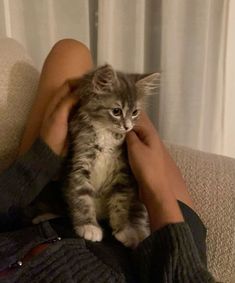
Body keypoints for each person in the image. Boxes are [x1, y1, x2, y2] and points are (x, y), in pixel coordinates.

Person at [0, 39, 215, 282]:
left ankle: (109, 109)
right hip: (147, 252)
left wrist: (40, 159)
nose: (127, 123)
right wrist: (156, 190)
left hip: (34, 223)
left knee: (70, 50)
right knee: (136, 131)